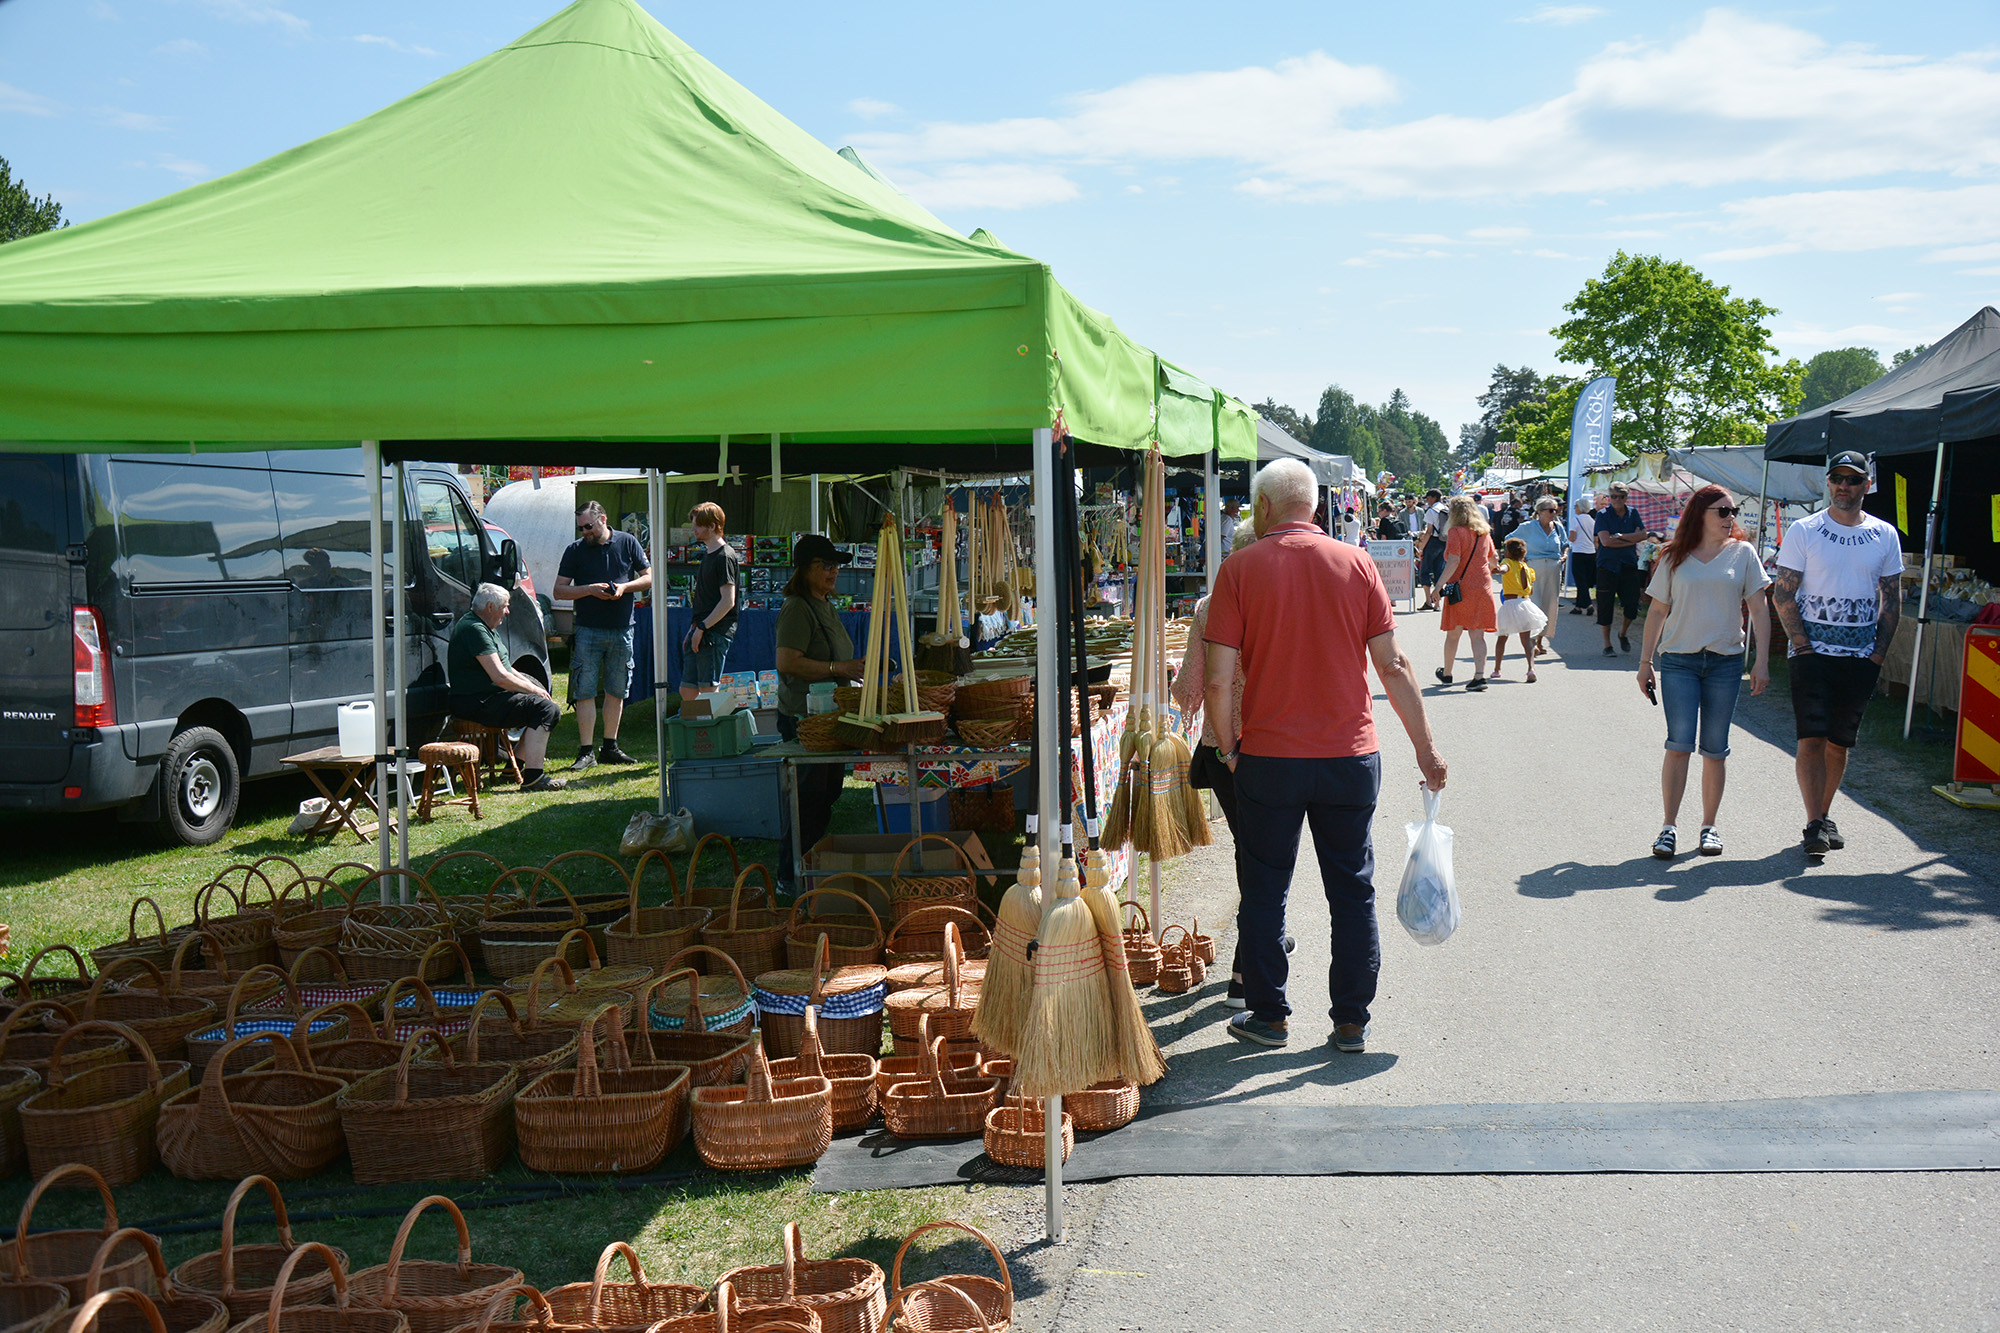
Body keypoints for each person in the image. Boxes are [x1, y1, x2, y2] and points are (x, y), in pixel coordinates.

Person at [1203, 458, 1447, 1052]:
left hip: (1269, 756)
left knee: (1265, 888)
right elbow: (1392, 665)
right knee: (1351, 888)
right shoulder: (1357, 563)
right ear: (1314, 506)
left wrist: (1229, 750)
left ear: (1263, 507)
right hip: (1349, 755)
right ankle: (1351, 1020)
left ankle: (1269, 1015)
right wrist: (1425, 749)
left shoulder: (1239, 569)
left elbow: (1216, 680)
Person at [1173, 522, 1295, 1009]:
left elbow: (1191, 687)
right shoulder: (1283, 601)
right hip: (1277, 741)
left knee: (1254, 856)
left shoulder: (1210, 606)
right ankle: (1249, 969)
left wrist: (1173, 688)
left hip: (1225, 748)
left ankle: (1259, 951)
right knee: (1264, 860)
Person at [1770, 451, 1904, 856]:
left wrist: (1877, 656)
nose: (1844, 486)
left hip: (1860, 655)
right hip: (1812, 654)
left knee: (1840, 743)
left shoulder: (1884, 534)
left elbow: (1892, 599)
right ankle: (1814, 824)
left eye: (1852, 480)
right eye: (1837, 479)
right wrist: (1803, 647)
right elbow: (1783, 592)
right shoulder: (1805, 529)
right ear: (1828, 483)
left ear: (1866, 485)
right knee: (1811, 737)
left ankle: (1824, 815)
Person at [1636, 485, 1772, 859]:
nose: (1731, 518)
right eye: (1722, 512)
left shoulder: (1743, 554)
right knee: (1678, 744)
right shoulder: (1674, 556)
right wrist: (1645, 663)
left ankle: (1709, 826)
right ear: (1700, 514)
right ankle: (1668, 828)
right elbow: (1657, 612)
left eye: (1733, 511)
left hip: (1725, 663)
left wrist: (1761, 662)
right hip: (1679, 660)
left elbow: (1759, 609)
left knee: (1715, 749)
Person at [773, 535, 867, 887]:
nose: (834, 571)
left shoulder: (823, 603)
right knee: (806, 801)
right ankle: (790, 875)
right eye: (826, 565)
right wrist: (838, 669)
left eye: (836, 565)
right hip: (804, 718)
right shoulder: (797, 607)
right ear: (805, 569)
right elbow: (787, 662)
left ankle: (808, 867)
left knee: (824, 796)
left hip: (827, 717)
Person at [553, 500, 651, 769]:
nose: (584, 532)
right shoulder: (575, 550)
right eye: (581, 528)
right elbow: (559, 591)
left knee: (616, 690)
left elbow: (648, 577)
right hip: (587, 630)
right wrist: (590, 589)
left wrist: (624, 588)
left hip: (622, 629)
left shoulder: (628, 542)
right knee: (584, 691)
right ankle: (586, 751)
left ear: (603, 520)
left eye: (588, 526)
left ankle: (610, 746)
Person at [448, 583, 567, 792]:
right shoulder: (474, 629)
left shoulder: (484, 626)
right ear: (491, 607)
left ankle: (514, 771)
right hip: (476, 702)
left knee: (544, 706)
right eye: (505, 606)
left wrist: (533, 685)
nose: (508, 611)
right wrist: (533, 690)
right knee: (546, 709)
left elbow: (508, 668)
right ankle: (533, 778)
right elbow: (500, 677)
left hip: (484, 698)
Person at [1434, 496, 1497, 691]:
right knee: (1477, 635)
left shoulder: (1455, 532)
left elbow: (1453, 561)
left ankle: (1447, 673)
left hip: (1461, 589)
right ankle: (1479, 676)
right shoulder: (1483, 532)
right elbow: (1493, 558)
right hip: (1483, 586)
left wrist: (1438, 587)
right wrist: (1496, 568)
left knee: (1454, 633)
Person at [681, 501, 739, 703]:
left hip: (714, 632)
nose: (694, 529)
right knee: (687, 689)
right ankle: (690, 731)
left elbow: (728, 601)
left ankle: (709, 732)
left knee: (708, 689)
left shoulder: (725, 556)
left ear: (712, 526)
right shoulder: (708, 554)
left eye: (697, 525)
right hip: (700, 628)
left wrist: (703, 628)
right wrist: (693, 629)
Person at [1592, 483, 1654, 657]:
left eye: (1621, 496)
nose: (1617, 500)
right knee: (1605, 605)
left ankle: (1623, 633)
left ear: (1627, 497)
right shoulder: (1602, 515)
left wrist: (1621, 537)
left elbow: (1643, 535)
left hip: (1628, 564)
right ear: (1609, 497)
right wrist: (1631, 540)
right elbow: (1606, 542)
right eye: (1614, 496)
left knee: (1632, 605)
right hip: (1607, 565)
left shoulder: (1633, 513)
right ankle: (1607, 644)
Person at [1515, 496, 1570, 654]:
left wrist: (1564, 556)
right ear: (1539, 512)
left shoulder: (1558, 527)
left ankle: (1539, 641)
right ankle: (1531, 642)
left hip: (1554, 568)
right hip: (1533, 567)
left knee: (1549, 605)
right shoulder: (1528, 526)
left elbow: (1566, 544)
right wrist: (1521, 557)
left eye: (1556, 509)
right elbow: (1509, 539)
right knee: (1534, 603)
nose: (1555, 512)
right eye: (1551, 510)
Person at [1490, 537, 1548, 682]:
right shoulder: (1527, 569)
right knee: (1526, 640)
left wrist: (1496, 569)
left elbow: (1503, 570)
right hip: (1525, 603)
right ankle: (1531, 668)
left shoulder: (1507, 563)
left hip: (1510, 604)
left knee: (1502, 638)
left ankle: (1497, 669)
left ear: (1508, 552)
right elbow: (1531, 591)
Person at [1415, 489, 1449, 611]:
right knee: (1438, 571)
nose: (1427, 501)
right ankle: (1437, 603)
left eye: (1428, 498)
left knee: (1425, 571)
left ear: (1433, 497)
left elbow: (1429, 531)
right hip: (1444, 542)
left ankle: (1428, 601)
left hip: (1433, 542)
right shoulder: (1445, 508)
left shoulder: (1431, 510)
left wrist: (1421, 548)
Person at [1569, 493, 1597, 615]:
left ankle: (1588, 604)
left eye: (1576, 506)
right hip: (1591, 552)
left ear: (1580, 507)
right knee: (1585, 580)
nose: (1574, 508)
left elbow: (1572, 537)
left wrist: (1568, 539)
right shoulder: (1592, 520)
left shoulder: (1575, 520)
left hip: (1579, 551)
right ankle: (1578, 606)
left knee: (1580, 580)